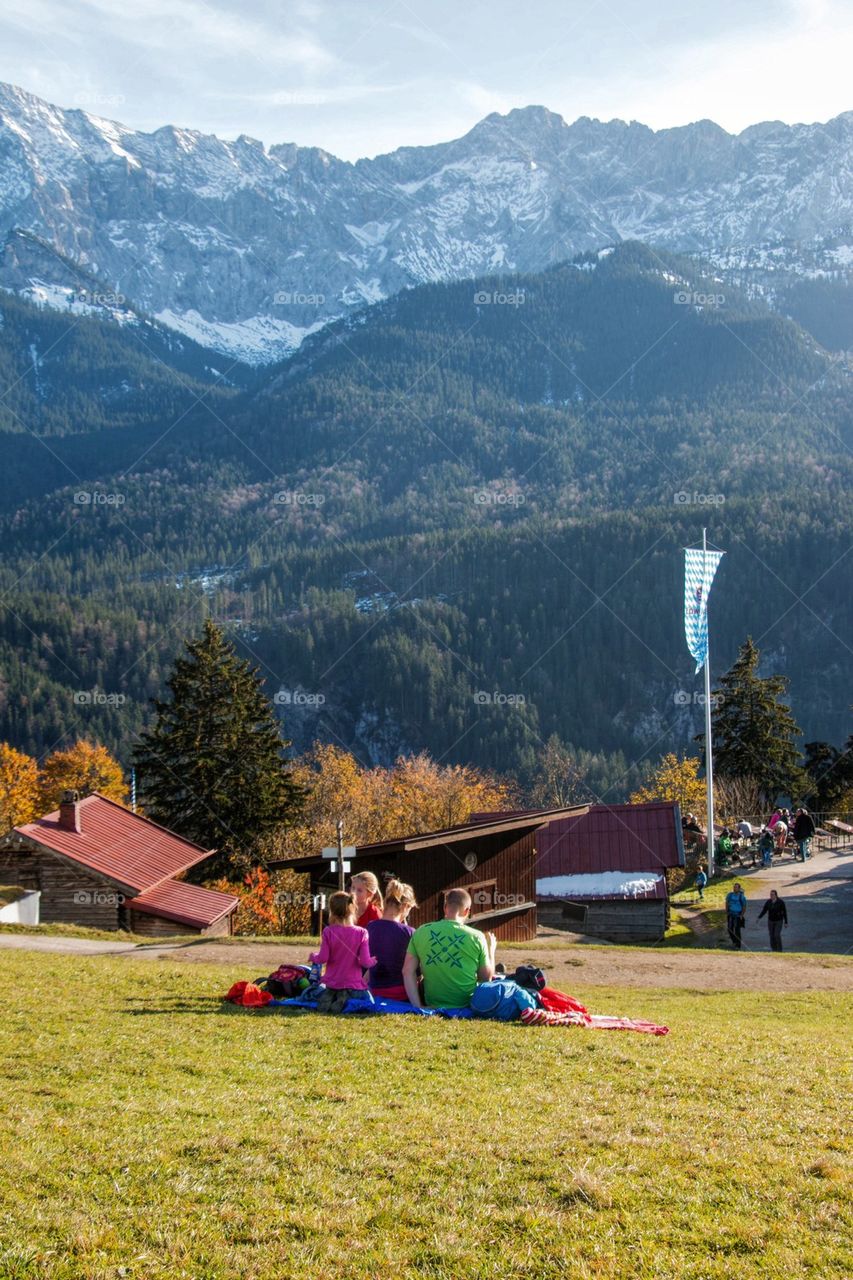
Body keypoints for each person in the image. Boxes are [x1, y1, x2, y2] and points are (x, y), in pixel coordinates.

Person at [403, 887, 497, 1009]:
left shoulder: (421, 931)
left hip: (431, 1003)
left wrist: (418, 1006)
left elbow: (407, 971)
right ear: (467, 911)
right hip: (466, 1004)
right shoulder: (477, 937)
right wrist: (491, 951)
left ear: (445, 907)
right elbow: (486, 979)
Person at [309, 890, 376, 1013]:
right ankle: (343, 1003)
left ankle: (335, 1003)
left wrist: (314, 957)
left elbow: (323, 958)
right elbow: (365, 962)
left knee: (309, 993)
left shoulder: (328, 932)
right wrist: (373, 961)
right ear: (353, 908)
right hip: (354, 988)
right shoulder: (362, 933)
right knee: (369, 1002)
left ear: (332, 912)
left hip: (332, 987)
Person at [367, 878, 417, 1001]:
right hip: (400, 992)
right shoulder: (409, 932)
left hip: (373, 990)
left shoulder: (370, 927)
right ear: (405, 906)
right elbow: (415, 970)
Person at [725, 882, 748, 949]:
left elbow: (744, 906)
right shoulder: (730, 895)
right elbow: (727, 902)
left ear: (739, 888)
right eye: (734, 887)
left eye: (736, 887)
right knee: (729, 929)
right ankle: (734, 941)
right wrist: (726, 911)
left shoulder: (742, 897)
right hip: (731, 914)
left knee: (737, 930)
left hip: (738, 915)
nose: (734, 888)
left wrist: (742, 914)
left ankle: (738, 945)